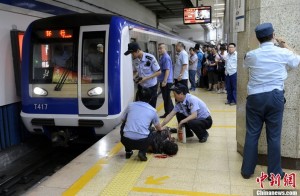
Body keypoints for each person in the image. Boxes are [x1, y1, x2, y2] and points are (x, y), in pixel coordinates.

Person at [241, 23, 300, 179]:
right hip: (275, 96)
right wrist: (285, 44)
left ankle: (247, 170)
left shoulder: (251, 55)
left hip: (255, 98)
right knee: (274, 136)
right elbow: (296, 60)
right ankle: (274, 172)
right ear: (273, 35)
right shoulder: (282, 53)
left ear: (257, 38)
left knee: (252, 133)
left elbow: (245, 64)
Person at [120, 87, 162, 161]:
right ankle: (142, 152)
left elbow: (122, 119)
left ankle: (128, 151)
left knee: (123, 125)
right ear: (150, 98)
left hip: (126, 141)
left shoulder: (130, 105)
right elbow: (159, 128)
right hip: (142, 142)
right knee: (152, 130)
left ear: (138, 96)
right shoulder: (153, 110)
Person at [124, 42, 161, 108]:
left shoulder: (150, 58)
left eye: (132, 53)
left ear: (138, 51)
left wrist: (146, 78)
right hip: (141, 87)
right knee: (141, 107)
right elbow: (135, 71)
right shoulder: (135, 60)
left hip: (151, 87)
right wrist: (134, 77)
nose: (132, 55)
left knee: (151, 107)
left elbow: (158, 72)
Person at [157, 43, 174, 118]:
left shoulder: (166, 57)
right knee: (167, 97)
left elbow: (167, 70)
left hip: (166, 81)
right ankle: (171, 110)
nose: (159, 50)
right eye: (158, 48)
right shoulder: (162, 57)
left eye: (161, 48)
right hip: (165, 80)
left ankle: (167, 113)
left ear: (165, 49)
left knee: (166, 97)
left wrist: (164, 81)